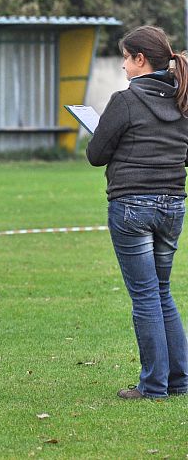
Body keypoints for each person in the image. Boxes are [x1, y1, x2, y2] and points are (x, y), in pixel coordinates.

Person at [87, 25, 188, 399]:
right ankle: (179, 381)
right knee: (162, 292)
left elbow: (96, 155)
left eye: (126, 59)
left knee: (145, 296)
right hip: (173, 205)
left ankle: (153, 386)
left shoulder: (125, 101)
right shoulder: (183, 99)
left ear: (140, 59)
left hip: (132, 206)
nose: (123, 66)